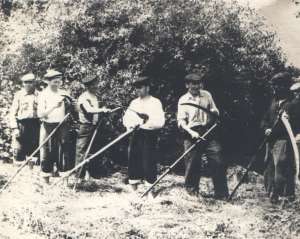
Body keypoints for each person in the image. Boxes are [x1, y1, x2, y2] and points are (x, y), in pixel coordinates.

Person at [177, 73, 228, 200]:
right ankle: (191, 192)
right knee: (192, 163)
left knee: (217, 159)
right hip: (192, 132)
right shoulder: (183, 100)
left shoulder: (207, 95)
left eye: (198, 83)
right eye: (192, 84)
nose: (195, 86)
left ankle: (221, 194)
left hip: (209, 130)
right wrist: (191, 132)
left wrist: (215, 113)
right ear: (187, 85)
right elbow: (181, 122)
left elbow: (215, 110)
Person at [123, 76, 165, 194]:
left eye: (140, 87)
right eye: (136, 88)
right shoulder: (134, 102)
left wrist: (146, 124)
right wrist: (130, 125)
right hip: (135, 135)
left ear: (147, 88)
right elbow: (126, 118)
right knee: (133, 160)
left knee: (149, 161)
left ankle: (150, 191)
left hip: (149, 135)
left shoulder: (155, 102)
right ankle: (134, 190)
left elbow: (160, 121)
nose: (138, 90)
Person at [261, 72, 299, 203]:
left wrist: (274, 131)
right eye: (274, 85)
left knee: (281, 167)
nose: (275, 88)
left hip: (283, 140)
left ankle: (283, 196)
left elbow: (291, 125)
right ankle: (270, 193)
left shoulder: (293, 103)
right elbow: (265, 118)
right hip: (270, 140)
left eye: (278, 85)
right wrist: (266, 128)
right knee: (269, 166)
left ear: (285, 86)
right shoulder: (273, 101)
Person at [37, 69, 73, 184]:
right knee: (46, 150)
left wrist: (73, 105)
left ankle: (64, 180)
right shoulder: (43, 95)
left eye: (59, 81)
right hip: (48, 126)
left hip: (62, 125)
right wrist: (53, 107)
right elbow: (40, 114)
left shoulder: (63, 93)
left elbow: (72, 107)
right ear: (48, 81)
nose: (57, 84)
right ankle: (46, 180)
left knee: (64, 150)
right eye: (54, 82)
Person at [75, 76, 111, 182]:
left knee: (93, 151)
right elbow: (89, 110)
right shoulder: (83, 97)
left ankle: (89, 175)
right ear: (88, 86)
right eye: (93, 85)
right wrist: (101, 110)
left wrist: (103, 112)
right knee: (81, 152)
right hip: (85, 127)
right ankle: (79, 178)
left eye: (96, 84)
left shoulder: (94, 97)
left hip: (95, 127)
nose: (96, 86)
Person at [9, 73, 40, 164]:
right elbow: (12, 113)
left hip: (35, 125)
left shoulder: (40, 95)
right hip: (21, 125)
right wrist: (15, 128)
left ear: (35, 83)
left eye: (30, 82)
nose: (28, 84)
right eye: (25, 82)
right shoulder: (19, 95)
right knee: (18, 151)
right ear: (23, 83)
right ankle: (19, 174)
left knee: (34, 152)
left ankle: (31, 174)